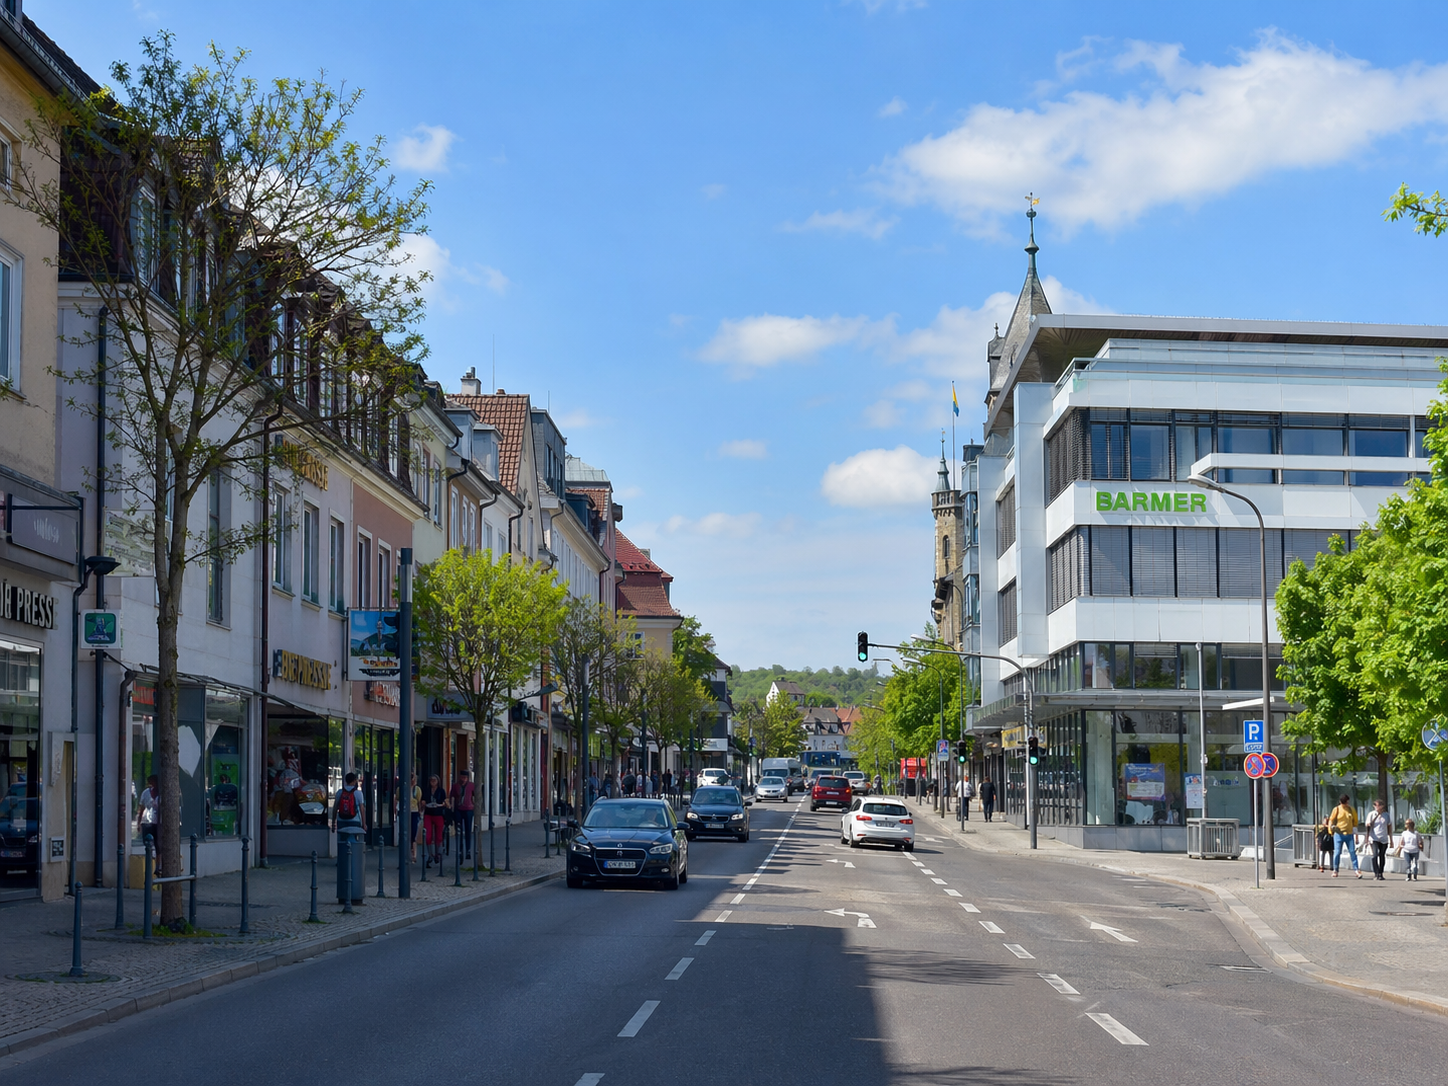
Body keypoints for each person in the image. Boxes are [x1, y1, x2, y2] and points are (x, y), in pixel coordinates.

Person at [1328, 794, 1361, 878]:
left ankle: (1356, 870)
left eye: (1347, 802)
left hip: (1349, 834)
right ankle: (1335, 870)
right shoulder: (1337, 809)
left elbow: (1355, 823)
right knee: (1337, 853)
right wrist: (1331, 829)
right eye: (1345, 803)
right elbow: (1331, 820)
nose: (1347, 804)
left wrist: (1356, 836)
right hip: (1338, 834)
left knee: (1352, 852)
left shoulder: (1351, 809)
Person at [137, 774, 161, 873]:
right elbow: (141, 808)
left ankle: (157, 866)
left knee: (158, 845)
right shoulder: (146, 793)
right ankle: (150, 865)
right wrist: (139, 822)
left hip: (158, 823)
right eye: (150, 782)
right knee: (148, 844)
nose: (151, 784)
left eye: (152, 782)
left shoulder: (162, 793)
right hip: (147, 821)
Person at [423, 774, 448, 867]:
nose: (433, 782)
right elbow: (423, 800)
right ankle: (430, 855)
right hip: (428, 814)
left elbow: (444, 802)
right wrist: (423, 803)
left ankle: (438, 854)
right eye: (431, 780)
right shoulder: (426, 790)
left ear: (438, 781)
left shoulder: (441, 791)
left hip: (438, 814)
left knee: (439, 836)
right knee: (427, 835)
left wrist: (442, 804)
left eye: (434, 780)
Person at [450, 770, 475, 861]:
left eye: (465, 778)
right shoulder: (456, 786)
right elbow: (452, 796)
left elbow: (475, 796)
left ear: (468, 778)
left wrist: (474, 805)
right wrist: (452, 807)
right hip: (458, 809)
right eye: (462, 777)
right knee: (459, 830)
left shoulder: (471, 786)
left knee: (468, 830)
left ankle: (468, 849)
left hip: (468, 810)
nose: (463, 779)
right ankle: (460, 849)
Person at [1365, 799, 1392, 881]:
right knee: (1374, 855)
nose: (1376, 807)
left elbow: (1389, 827)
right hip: (1374, 838)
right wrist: (1367, 837)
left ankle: (1381, 873)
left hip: (1383, 838)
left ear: (1382, 806)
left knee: (1382, 856)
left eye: (1378, 805)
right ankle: (1376, 873)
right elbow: (1367, 825)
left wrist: (1391, 840)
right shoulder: (1371, 814)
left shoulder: (1386, 815)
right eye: (1375, 805)